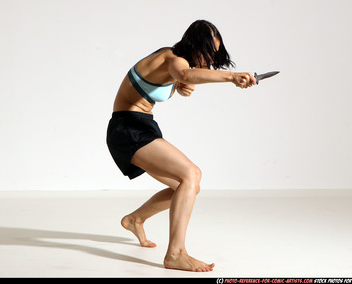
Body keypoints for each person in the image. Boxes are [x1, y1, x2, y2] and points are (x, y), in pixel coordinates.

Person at [106, 20, 256, 272]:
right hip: (127, 128)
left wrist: (178, 86)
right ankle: (175, 254)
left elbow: (180, 79)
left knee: (186, 188)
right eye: (208, 51)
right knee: (191, 174)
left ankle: (135, 219)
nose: (210, 58)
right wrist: (231, 76)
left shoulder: (177, 63)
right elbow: (184, 73)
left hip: (142, 125)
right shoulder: (172, 59)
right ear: (194, 44)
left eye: (214, 53)